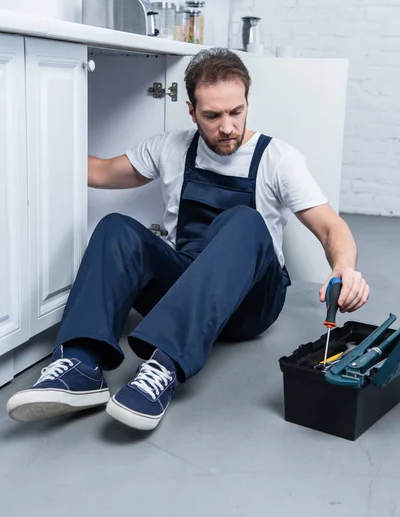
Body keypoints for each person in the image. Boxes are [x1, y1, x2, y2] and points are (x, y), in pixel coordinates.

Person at [7, 48, 369, 431]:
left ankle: (161, 368)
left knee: (245, 221)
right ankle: (81, 364)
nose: (227, 127)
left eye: (236, 112)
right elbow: (100, 172)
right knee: (116, 227)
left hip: (250, 305)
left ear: (247, 102)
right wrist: (23, 146)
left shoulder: (277, 158)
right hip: (186, 287)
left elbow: (332, 228)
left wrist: (344, 269)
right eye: (212, 116)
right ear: (192, 112)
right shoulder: (170, 147)